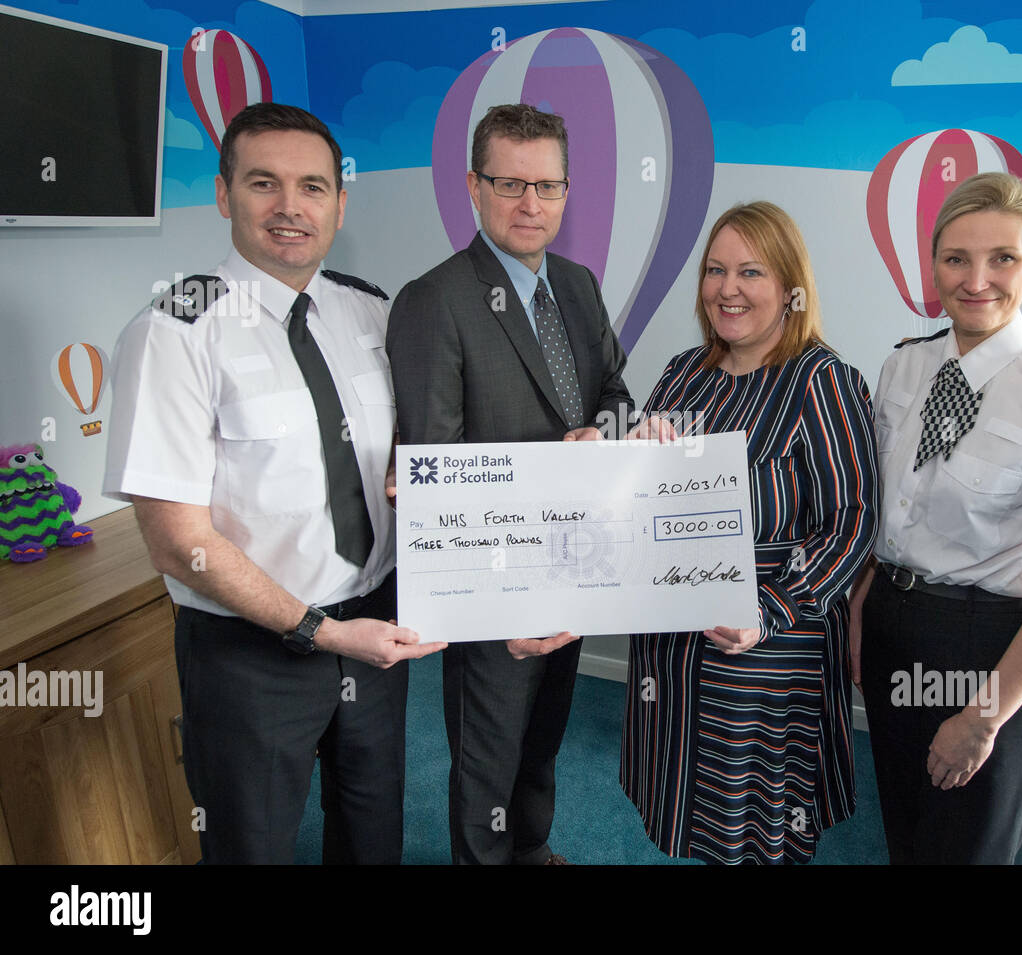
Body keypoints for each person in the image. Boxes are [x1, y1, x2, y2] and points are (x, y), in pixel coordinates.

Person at [103, 102, 444, 864]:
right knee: (251, 844)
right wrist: (316, 630)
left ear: (339, 203)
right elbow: (175, 540)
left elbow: (411, 449)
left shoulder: (371, 309)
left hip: (375, 632)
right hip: (250, 652)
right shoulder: (174, 330)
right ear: (225, 195)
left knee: (372, 832)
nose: (291, 207)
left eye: (313, 187)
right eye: (265, 183)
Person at [849, 171, 1022, 864]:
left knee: (967, 851)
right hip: (894, 624)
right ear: (933, 265)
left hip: (991, 650)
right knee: (908, 835)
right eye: (956, 258)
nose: (977, 279)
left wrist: (982, 718)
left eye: (1002, 258)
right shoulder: (903, 368)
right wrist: (862, 612)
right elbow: (888, 522)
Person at [386, 103, 634, 865]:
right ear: (473, 185)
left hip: (576, 568)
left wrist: (607, 430)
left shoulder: (580, 285)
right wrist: (498, 607)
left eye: (549, 186)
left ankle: (532, 850)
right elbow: (436, 474)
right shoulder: (434, 301)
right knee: (486, 765)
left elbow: (618, 394)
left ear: (566, 191)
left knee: (543, 741)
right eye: (511, 183)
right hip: (491, 595)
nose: (532, 203)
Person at [621, 201, 879, 864]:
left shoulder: (822, 381)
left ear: (790, 287)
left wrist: (770, 610)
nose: (727, 288)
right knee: (697, 816)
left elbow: (853, 521)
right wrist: (630, 452)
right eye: (714, 270)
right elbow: (637, 500)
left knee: (760, 832)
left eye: (750, 272)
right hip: (675, 651)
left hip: (766, 658)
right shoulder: (685, 372)